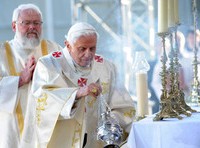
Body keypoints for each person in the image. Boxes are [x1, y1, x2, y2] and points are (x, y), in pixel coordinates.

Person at [25, 22, 135, 148]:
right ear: (68, 45)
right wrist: (76, 94)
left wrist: (110, 121)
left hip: (96, 141)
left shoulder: (107, 67)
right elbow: (42, 102)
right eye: (82, 49)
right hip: (62, 140)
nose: (88, 54)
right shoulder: (48, 65)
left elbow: (123, 107)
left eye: (92, 48)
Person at [0, 4, 62, 148]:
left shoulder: (54, 50)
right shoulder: (2, 53)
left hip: (47, 128)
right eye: (26, 23)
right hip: (11, 130)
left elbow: (67, 82)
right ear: (14, 26)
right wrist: (20, 80)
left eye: (36, 23)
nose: (32, 27)